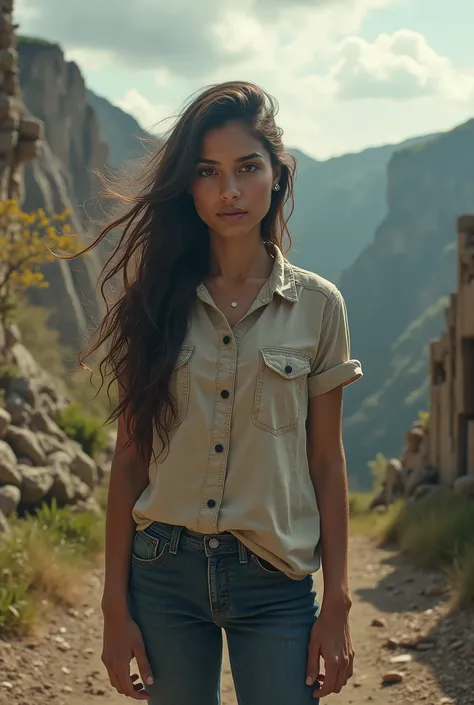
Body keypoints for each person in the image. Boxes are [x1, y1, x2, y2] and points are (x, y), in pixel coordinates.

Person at [76, 80, 363, 704]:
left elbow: (325, 459)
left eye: (247, 168)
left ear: (277, 177)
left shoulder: (319, 307)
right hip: (161, 574)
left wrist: (337, 602)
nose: (229, 190)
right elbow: (129, 459)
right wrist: (112, 606)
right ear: (189, 186)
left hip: (276, 578)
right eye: (208, 172)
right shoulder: (150, 305)